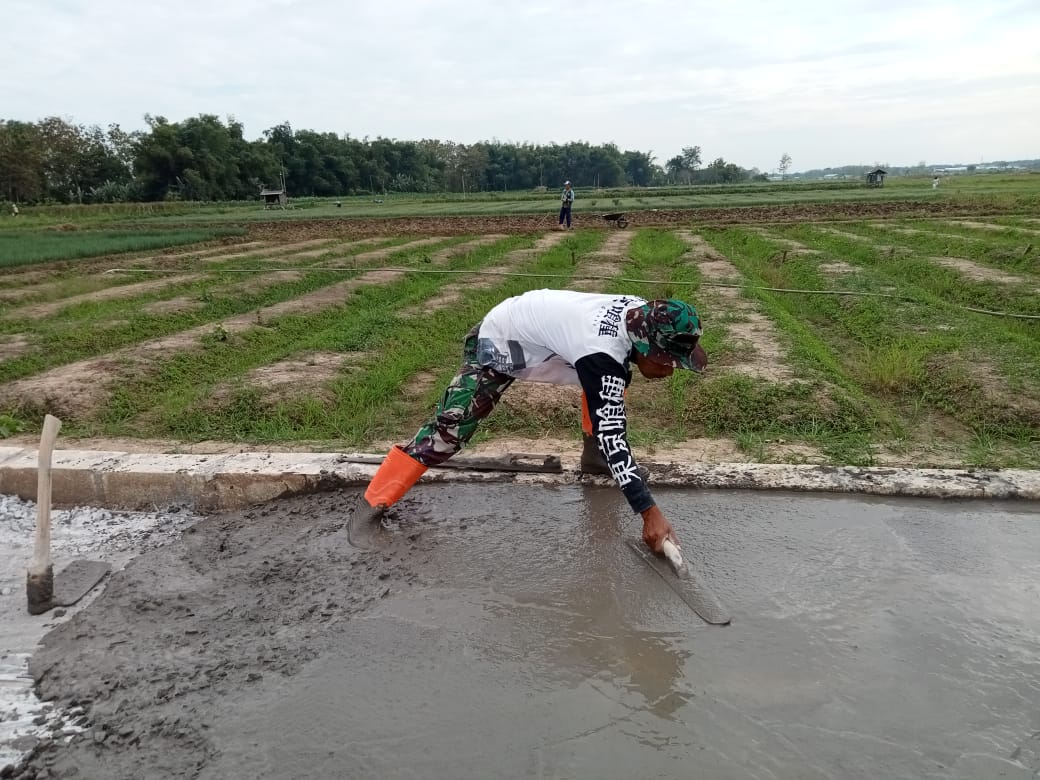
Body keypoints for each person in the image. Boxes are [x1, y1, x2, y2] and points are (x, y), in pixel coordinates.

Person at [348, 290, 708, 555]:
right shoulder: (600, 351)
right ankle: (370, 507)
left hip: (546, 335)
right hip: (501, 338)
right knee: (449, 430)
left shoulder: (640, 316)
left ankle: (594, 458)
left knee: (609, 385)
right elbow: (614, 432)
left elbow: (607, 387)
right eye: (668, 362)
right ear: (645, 344)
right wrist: (649, 513)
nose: (670, 371)